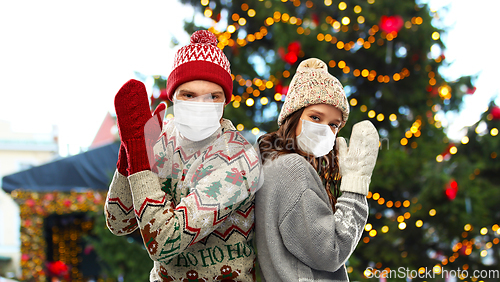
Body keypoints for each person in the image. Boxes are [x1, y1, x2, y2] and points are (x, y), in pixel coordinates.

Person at [104, 30, 261, 282]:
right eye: (189, 95)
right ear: (173, 96)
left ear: (225, 101)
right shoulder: (162, 137)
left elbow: (164, 241)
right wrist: (129, 154)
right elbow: (119, 222)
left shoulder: (240, 160)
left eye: (213, 96)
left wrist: (140, 159)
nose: (201, 105)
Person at [255, 58, 379, 281]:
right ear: (292, 116)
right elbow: (330, 252)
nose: (325, 130)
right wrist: (355, 188)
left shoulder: (269, 162)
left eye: (334, 124)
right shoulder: (292, 168)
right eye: (314, 117)